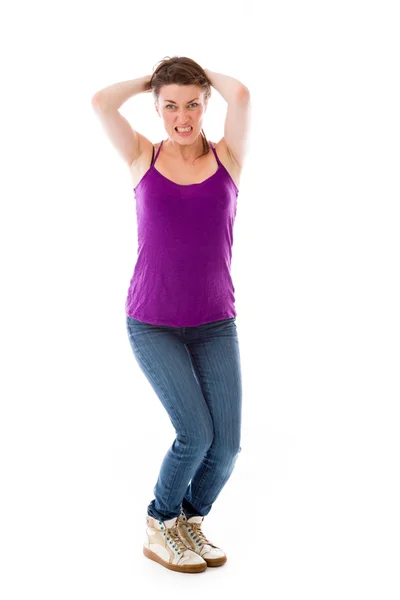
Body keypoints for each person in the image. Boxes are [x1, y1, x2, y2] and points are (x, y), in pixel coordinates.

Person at [91, 56, 251, 573]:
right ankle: (160, 522)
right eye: (170, 106)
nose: (182, 116)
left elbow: (242, 95)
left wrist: (200, 72)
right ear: (157, 109)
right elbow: (101, 102)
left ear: (206, 103)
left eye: (193, 104)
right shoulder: (143, 154)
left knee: (225, 446)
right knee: (195, 435)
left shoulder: (228, 157)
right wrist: (151, 80)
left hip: (214, 323)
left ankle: (189, 519)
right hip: (153, 322)